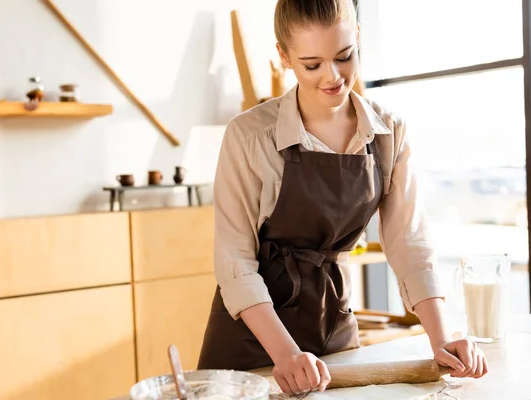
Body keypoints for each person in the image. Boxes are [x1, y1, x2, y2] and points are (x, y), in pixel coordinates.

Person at [198, 0, 488, 394]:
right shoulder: (249, 136)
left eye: (344, 56)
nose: (332, 77)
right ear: (284, 56)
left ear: (357, 39)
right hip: (252, 340)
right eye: (312, 64)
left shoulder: (389, 132)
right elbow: (235, 262)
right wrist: (286, 354)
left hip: (333, 328)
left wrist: (442, 340)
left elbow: (409, 243)